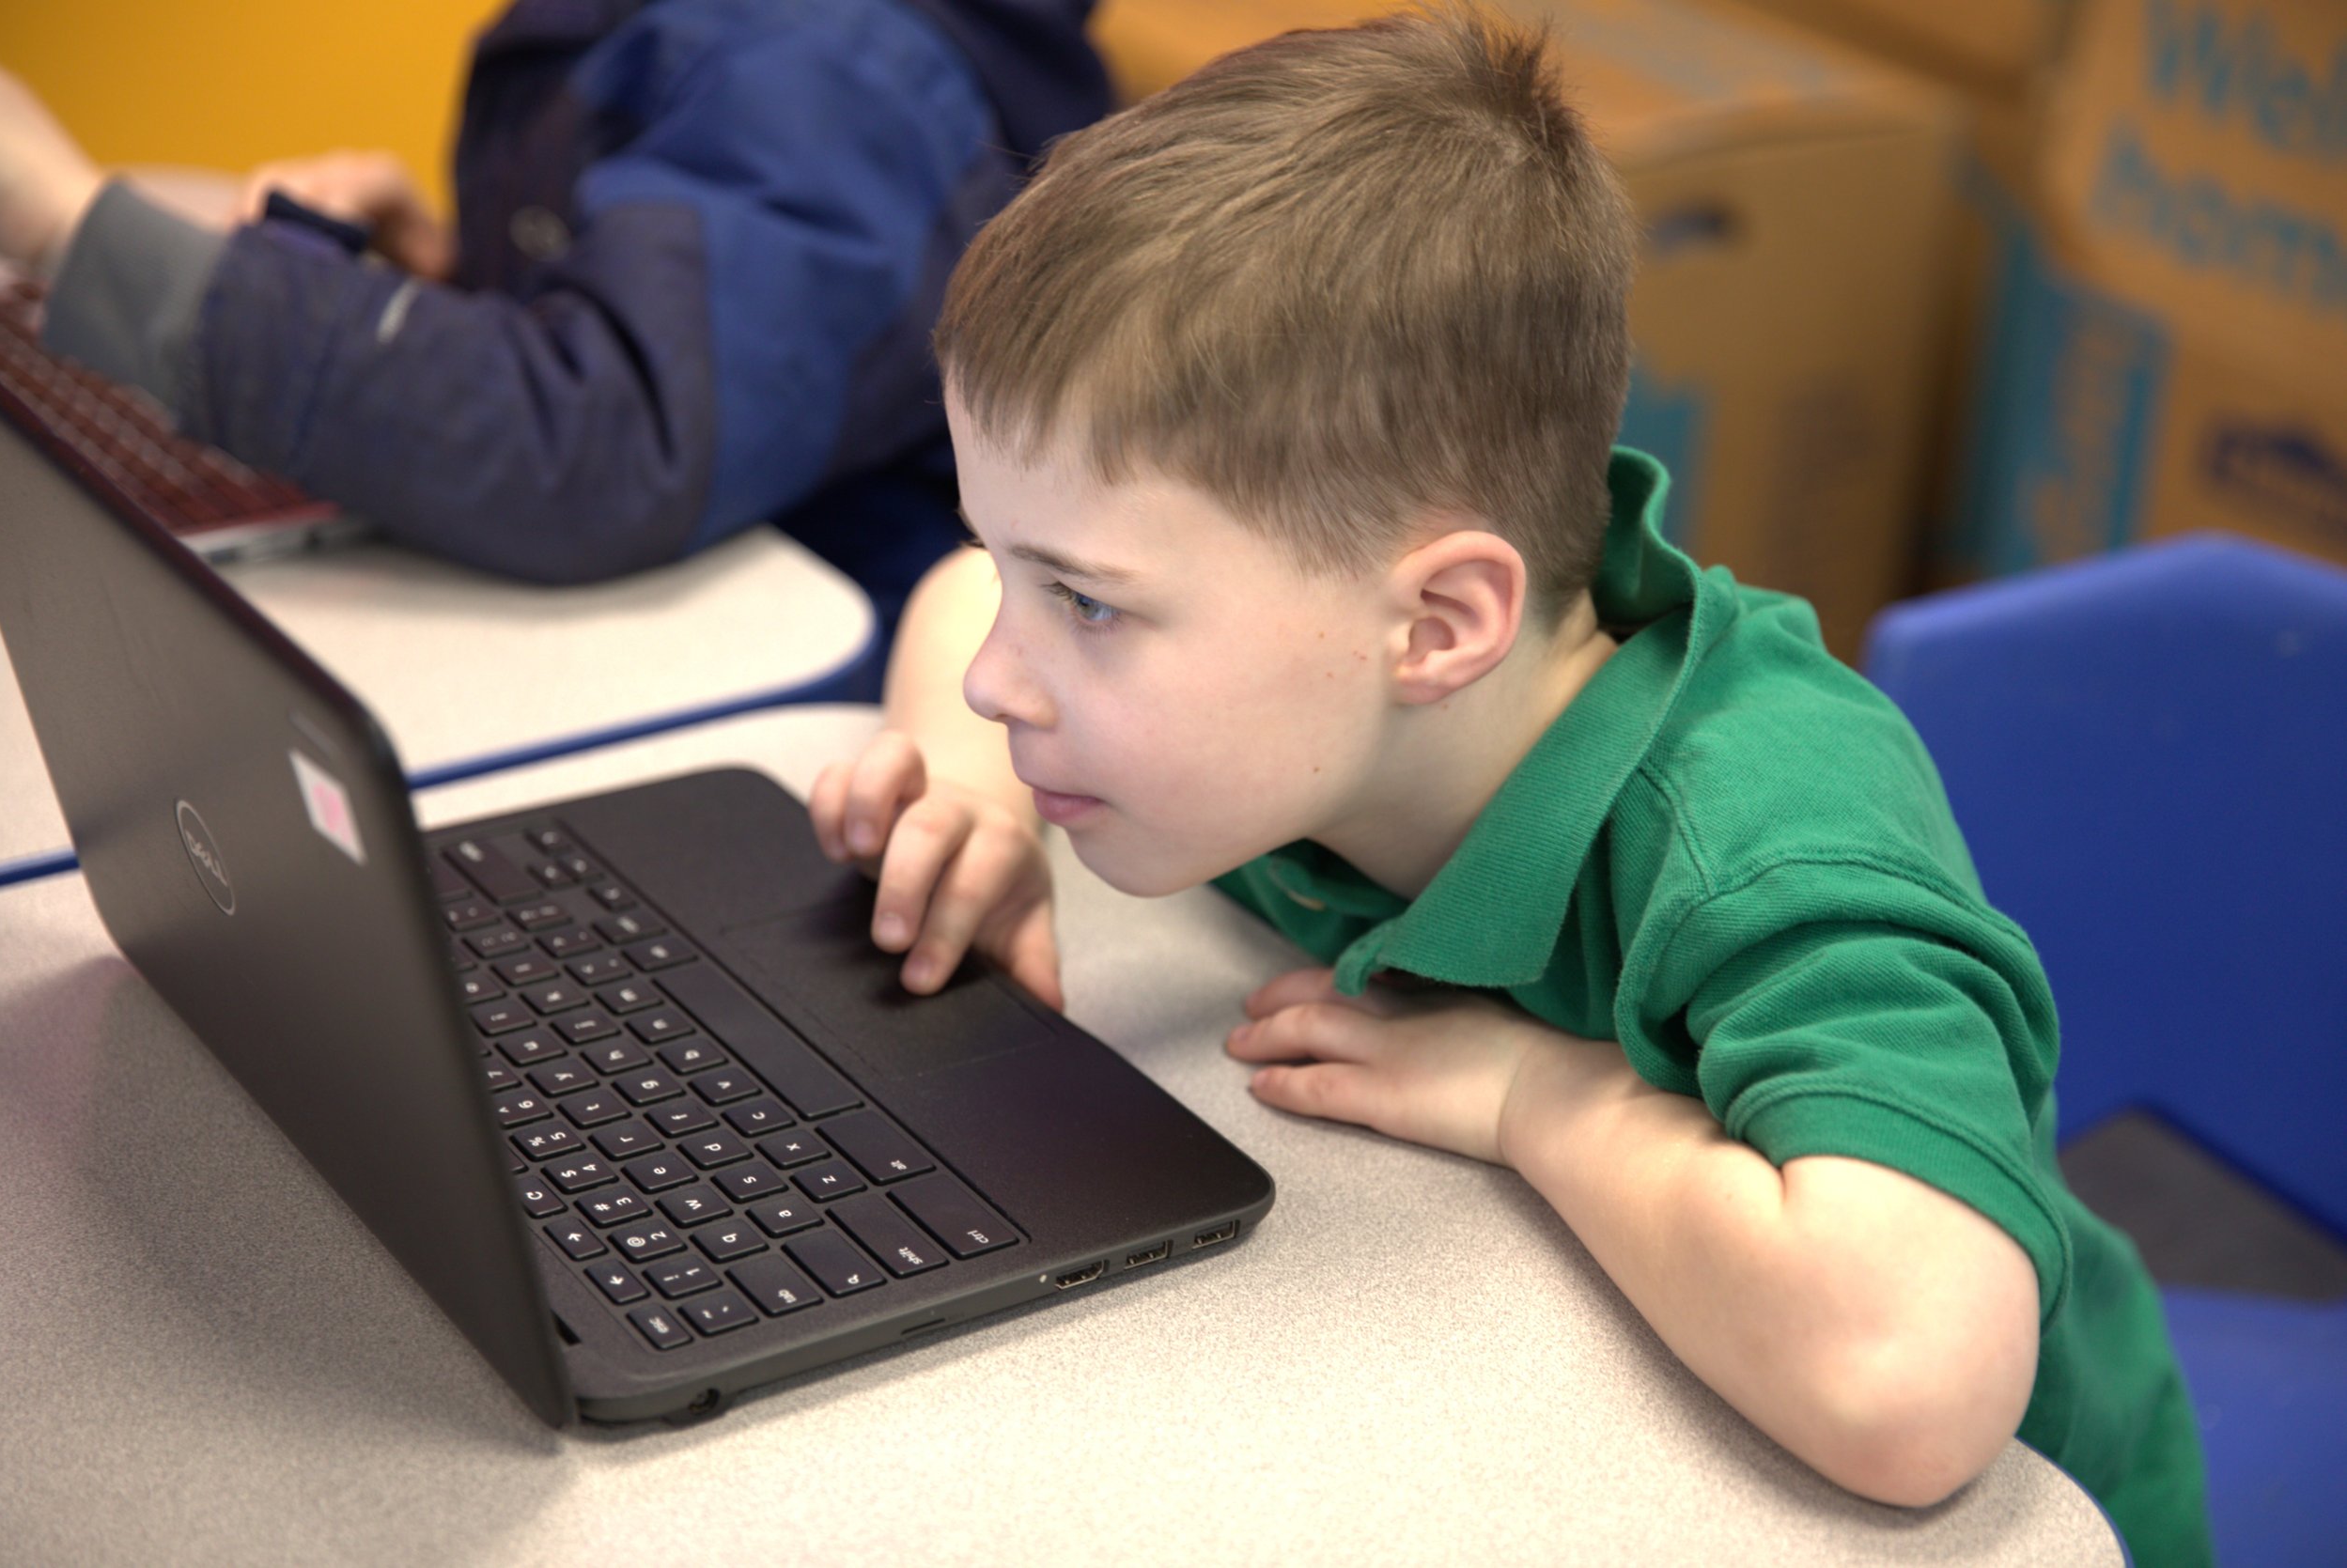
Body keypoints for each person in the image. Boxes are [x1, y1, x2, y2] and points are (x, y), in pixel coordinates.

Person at [798, 7, 2212, 1562]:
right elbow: (954, 598)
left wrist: (1542, 1098)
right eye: (1021, 567)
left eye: (1086, 603)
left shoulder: (1761, 848)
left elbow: (1909, 1384)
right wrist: (970, 794)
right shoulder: (1331, 701)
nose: (1000, 678)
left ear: (1438, 625)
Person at [0, 0, 1111, 629]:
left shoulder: (840, 73)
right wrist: (457, 277)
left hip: (805, 697)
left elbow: (599, 450)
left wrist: (63, 218)